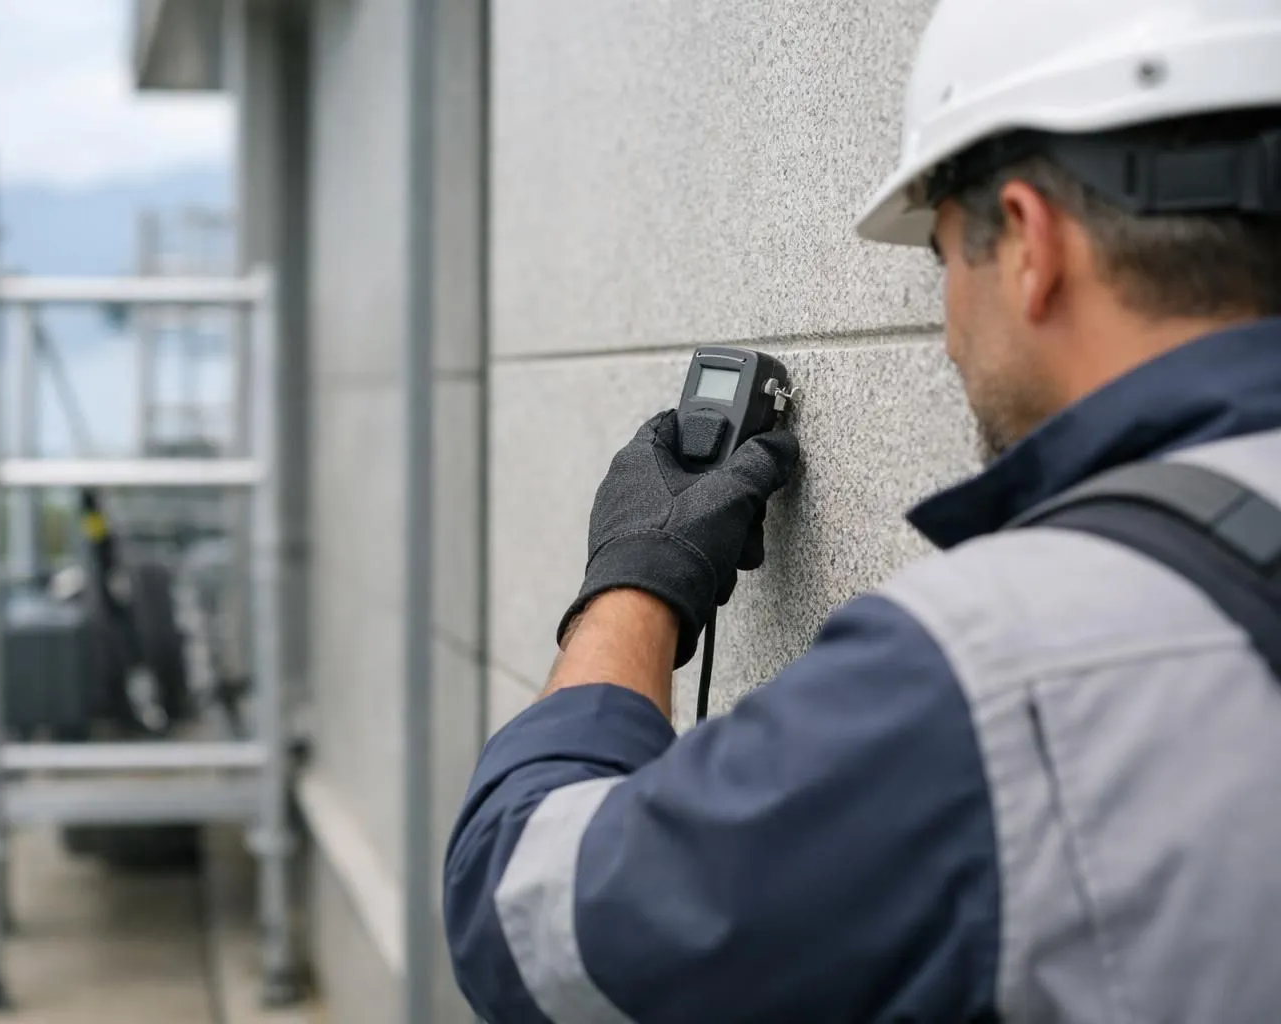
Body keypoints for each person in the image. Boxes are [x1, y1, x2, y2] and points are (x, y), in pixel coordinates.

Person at [442, 0, 1281, 1020]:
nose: (948, 333)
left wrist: (634, 581)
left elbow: (525, 918)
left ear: (1028, 241)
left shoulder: (990, 668)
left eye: (943, 258)